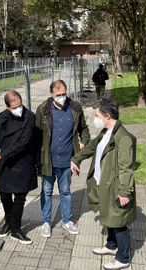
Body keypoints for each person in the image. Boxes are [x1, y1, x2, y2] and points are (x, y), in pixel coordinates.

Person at [70, 98, 136, 270]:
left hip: (116, 186)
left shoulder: (123, 138)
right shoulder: (106, 132)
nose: (95, 119)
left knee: (118, 221)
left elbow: (126, 168)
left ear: (107, 116)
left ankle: (122, 258)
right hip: (104, 183)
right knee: (108, 215)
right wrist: (76, 158)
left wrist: (124, 191)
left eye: (97, 115)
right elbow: (92, 147)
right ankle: (111, 245)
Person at [35, 80, 90, 237]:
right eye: (58, 95)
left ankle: (67, 220)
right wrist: (36, 160)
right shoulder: (43, 109)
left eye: (64, 94)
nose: (62, 97)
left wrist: (83, 142)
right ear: (52, 94)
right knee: (46, 191)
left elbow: (84, 129)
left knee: (65, 191)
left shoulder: (75, 108)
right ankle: (46, 221)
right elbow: (36, 135)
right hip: (48, 160)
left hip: (68, 160)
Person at [0, 90, 38, 245]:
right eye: (15, 107)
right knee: (4, 195)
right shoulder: (2, 118)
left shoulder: (30, 117)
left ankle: (16, 229)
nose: (19, 109)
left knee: (20, 197)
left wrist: (3, 155)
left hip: (23, 162)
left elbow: (24, 142)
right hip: (5, 163)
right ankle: (8, 222)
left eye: (20, 105)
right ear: (8, 107)